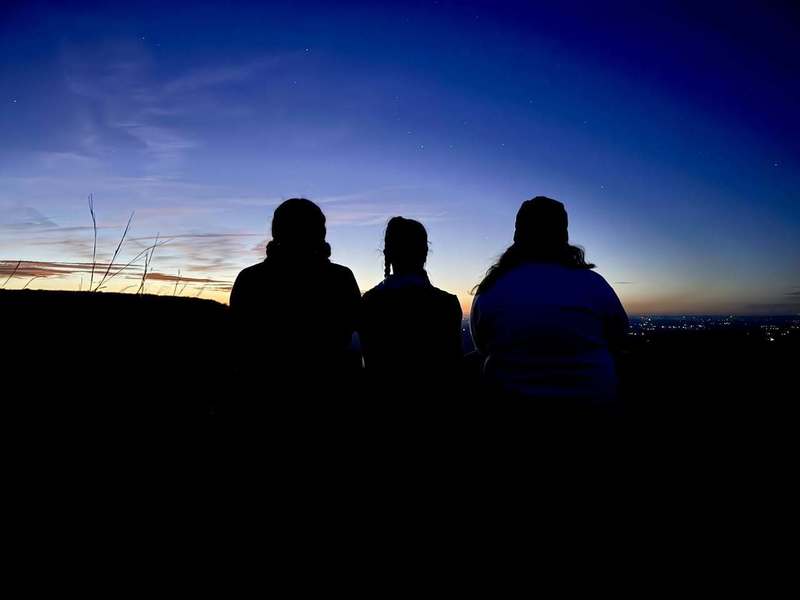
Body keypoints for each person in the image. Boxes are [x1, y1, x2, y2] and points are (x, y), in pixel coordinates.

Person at [470, 196, 628, 409]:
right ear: (563, 235)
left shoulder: (492, 287)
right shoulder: (593, 284)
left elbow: (482, 346)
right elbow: (618, 337)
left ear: (518, 235)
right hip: (593, 405)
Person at [229, 198, 361, 401]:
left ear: (276, 231)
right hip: (329, 392)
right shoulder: (341, 278)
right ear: (320, 232)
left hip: (261, 391)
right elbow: (349, 332)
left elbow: (239, 339)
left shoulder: (249, 278)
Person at [359, 217, 463, 398]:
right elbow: (453, 367)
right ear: (425, 253)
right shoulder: (446, 304)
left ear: (388, 254)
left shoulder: (369, 302)